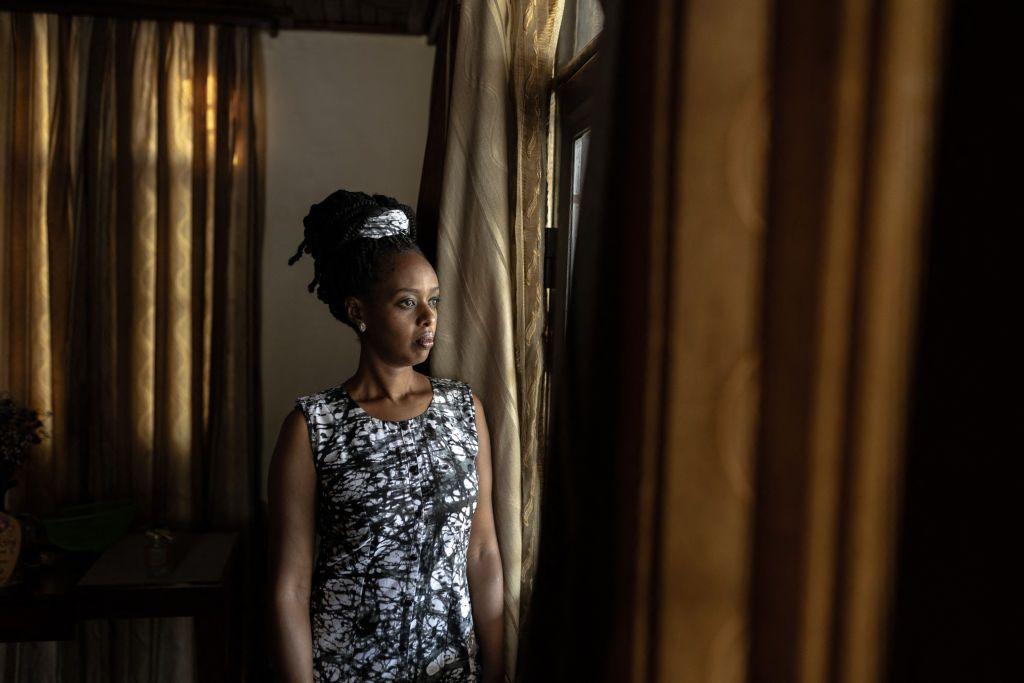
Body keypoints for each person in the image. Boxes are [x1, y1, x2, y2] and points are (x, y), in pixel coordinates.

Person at [268, 190, 504, 682]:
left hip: (452, 670)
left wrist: (500, 669)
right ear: (360, 311)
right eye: (406, 303)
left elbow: (482, 552)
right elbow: (290, 585)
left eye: (433, 301)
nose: (428, 318)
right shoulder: (313, 427)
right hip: (347, 671)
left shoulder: (464, 410)